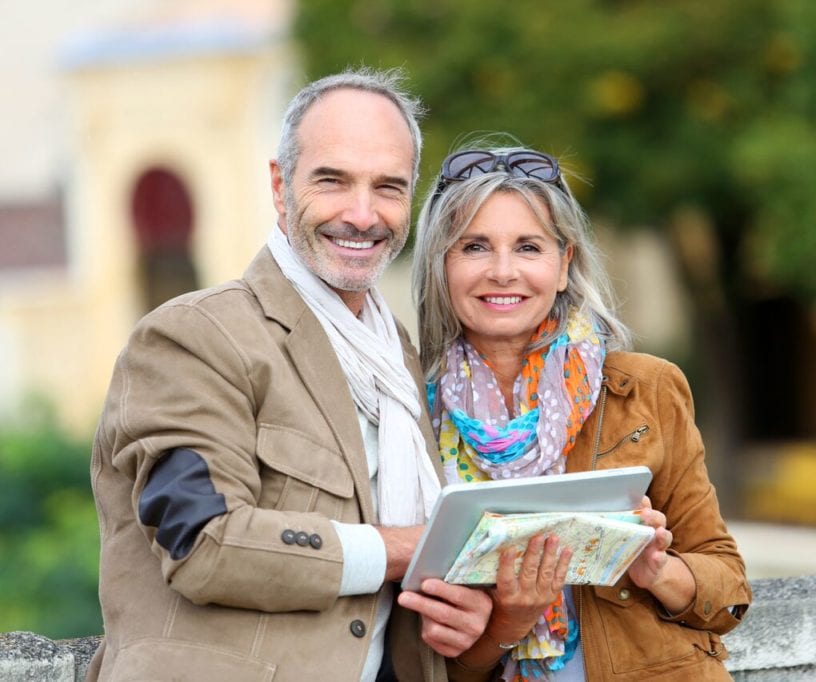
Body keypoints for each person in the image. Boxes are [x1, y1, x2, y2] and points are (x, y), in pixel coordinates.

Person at [87, 68, 492, 682]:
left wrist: (458, 618)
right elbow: (204, 544)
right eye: (332, 181)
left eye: (388, 186)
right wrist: (413, 547)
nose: (363, 214)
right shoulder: (193, 337)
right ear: (280, 186)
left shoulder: (398, 358)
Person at [405, 142, 752, 681]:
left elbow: (728, 588)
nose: (502, 271)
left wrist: (657, 569)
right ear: (439, 266)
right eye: (473, 246)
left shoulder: (646, 390)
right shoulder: (408, 417)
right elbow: (426, 662)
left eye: (528, 247)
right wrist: (510, 621)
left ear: (564, 264)